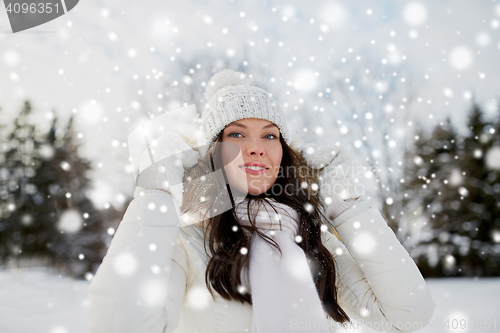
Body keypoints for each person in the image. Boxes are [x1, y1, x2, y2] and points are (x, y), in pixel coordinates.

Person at [88, 69, 435, 333]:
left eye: (269, 135)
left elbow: (407, 315)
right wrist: (157, 194)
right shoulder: (187, 240)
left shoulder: (313, 242)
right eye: (236, 133)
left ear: (282, 153)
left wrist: (347, 205)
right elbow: (118, 324)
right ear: (212, 154)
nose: (256, 147)